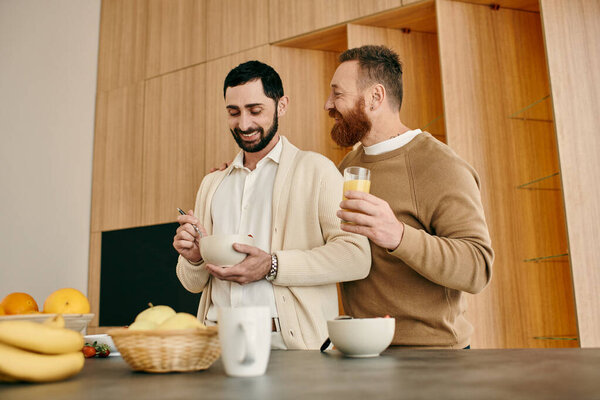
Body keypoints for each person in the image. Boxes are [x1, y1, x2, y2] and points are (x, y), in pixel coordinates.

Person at [173, 60, 371, 350]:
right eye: (233, 112)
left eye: (255, 110)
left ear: (281, 106)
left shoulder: (318, 170)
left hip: (286, 344)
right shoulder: (212, 183)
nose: (244, 124)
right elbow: (192, 283)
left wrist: (273, 265)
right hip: (214, 341)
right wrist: (194, 258)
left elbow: (356, 257)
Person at [326, 45, 494, 349]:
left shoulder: (441, 165)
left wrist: (399, 236)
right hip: (363, 351)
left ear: (376, 97)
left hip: (435, 358)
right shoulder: (347, 168)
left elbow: (477, 267)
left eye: (338, 94)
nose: (329, 104)